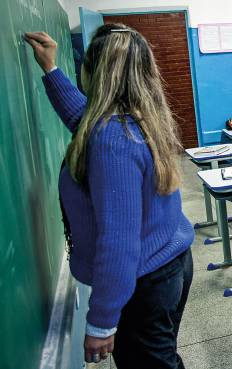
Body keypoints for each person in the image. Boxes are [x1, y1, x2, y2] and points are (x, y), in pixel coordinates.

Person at [24, 27, 194, 368]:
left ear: (95, 72)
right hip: (169, 263)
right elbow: (81, 118)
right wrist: (51, 69)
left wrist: (101, 322)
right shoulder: (139, 119)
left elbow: (119, 241)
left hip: (142, 282)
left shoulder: (112, 140)